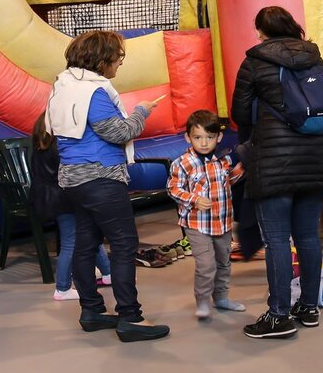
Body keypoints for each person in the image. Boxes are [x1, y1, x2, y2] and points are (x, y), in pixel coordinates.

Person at [232, 6, 323, 339]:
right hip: (317, 159)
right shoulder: (315, 59)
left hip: (273, 161)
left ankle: (278, 315)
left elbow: (239, 113)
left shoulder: (254, 61)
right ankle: (309, 308)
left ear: (262, 31)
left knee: (276, 242)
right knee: (308, 238)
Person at [46, 30, 169, 342]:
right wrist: (142, 111)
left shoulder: (63, 87)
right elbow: (117, 132)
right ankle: (131, 317)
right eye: (117, 58)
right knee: (124, 243)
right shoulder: (94, 92)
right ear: (102, 60)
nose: (119, 64)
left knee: (86, 243)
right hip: (101, 178)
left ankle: (92, 310)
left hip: (73, 180)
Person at [167, 110, 246, 320]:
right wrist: (193, 199)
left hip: (223, 220)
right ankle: (202, 301)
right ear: (188, 137)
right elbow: (173, 189)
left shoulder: (223, 160)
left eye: (209, 138)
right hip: (196, 224)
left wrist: (241, 171)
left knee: (223, 261)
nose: (203, 143)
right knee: (206, 264)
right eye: (197, 137)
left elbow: (228, 180)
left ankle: (221, 297)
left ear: (218, 137)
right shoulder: (182, 163)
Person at [29, 113, 113, 303]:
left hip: (51, 198)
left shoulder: (41, 146)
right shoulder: (60, 147)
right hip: (65, 199)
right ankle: (63, 288)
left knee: (91, 233)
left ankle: (108, 273)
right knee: (71, 242)